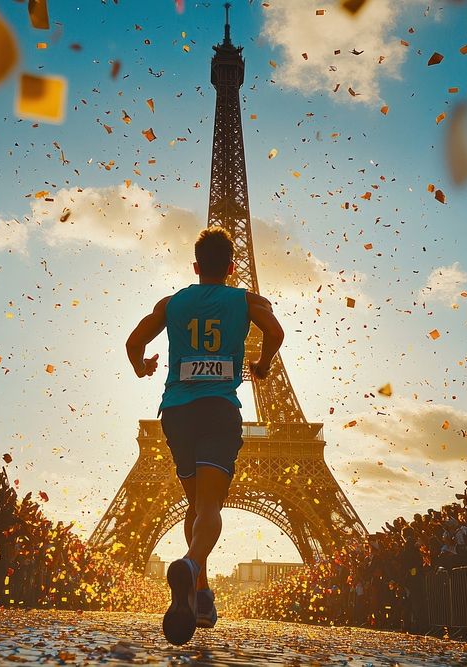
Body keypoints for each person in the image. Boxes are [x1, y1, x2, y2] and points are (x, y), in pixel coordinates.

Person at [125, 226, 285, 645]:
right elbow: (276, 332)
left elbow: (134, 342)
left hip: (177, 411)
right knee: (211, 506)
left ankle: (200, 595)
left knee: (194, 507)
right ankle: (193, 565)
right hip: (218, 409)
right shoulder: (243, 300)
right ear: (232, 267)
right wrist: (264, 364)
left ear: (195, 267)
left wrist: (143, 368)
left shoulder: (172, 302)